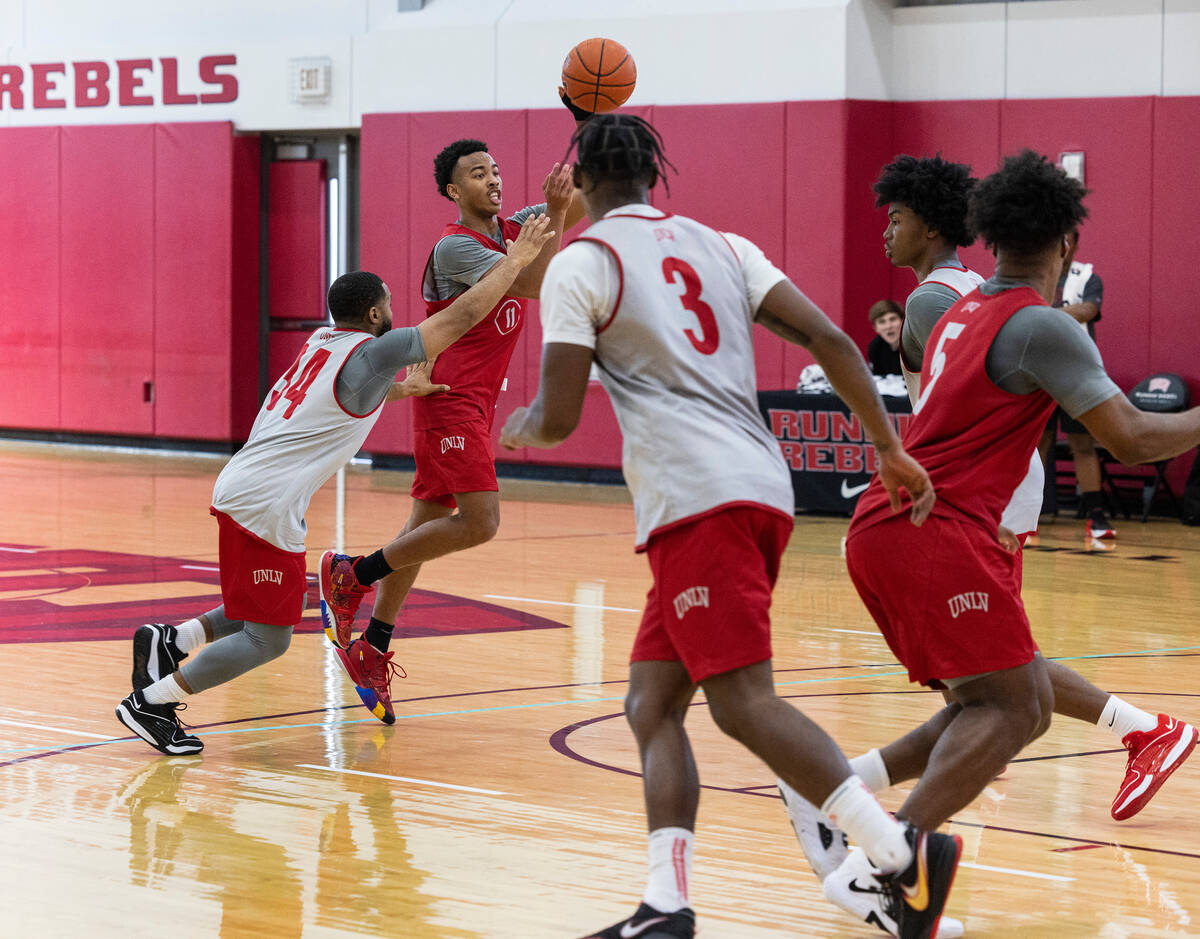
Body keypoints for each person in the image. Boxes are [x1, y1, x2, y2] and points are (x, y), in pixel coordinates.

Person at [497, 113, 960, 939]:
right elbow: (827, 337)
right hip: (760, 484)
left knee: (741, 703)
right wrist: (887, 446)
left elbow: (560, 418)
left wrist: (523, 422)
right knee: (651, 701)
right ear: (653, 175)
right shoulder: (723, 245)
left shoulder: (583, 262)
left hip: (696, 496)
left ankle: (896, 853)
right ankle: (666, 905)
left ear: (582, 179)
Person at [778, 153, 1198, 936]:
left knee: (1005, 702)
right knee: (1011, 707)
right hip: (936, 530)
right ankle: (881, 864)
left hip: (901, 523)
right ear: (1067, 241)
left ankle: (840, 794)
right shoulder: (1039, 324)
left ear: (990, 232)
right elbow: (1133, 439)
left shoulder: (961, 312)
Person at [113, 216, 555, 755]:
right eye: (390, 305)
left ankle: (173, 639)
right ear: (375, 314)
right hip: (263, 502)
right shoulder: (372, 351)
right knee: (268, 638)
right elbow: (460, 317)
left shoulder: (324, 344)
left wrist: (400, 390)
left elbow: (336, 400)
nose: (396, 314)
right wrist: (517, 261)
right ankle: (150, 703)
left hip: (248, 490)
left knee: (274, 604)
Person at [318, 131, 588, 723]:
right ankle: (351, 574)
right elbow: (535, 282)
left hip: (475, 402)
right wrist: (561, 211)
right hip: (449, 401)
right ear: (452, 189)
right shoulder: (457, 249)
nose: (492, 178)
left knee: (428, 522)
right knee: (481, 522)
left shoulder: (517, 228)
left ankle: (375, 646)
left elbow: (586, 193)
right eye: (475, 173)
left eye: (494, 170)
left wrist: (595, 139)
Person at [1036, 231, 1114, 538]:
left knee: (1082, 444)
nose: (1062, 244)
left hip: (1077, 372)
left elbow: (1088, 310)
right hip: (1039, 371)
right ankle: (1029, 517)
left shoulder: (1088, 276)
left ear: (1075, 244)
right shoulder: (1035, 274)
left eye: (1068, 238)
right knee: (1038, 445)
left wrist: (1045, 315)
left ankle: (1096, 515)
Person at [867, 299, 904, 376]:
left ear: (902, 321)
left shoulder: (915, 346)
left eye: (893, 319)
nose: (888, 326)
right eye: (882, 322)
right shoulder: (875, 347)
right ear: (875, 328)